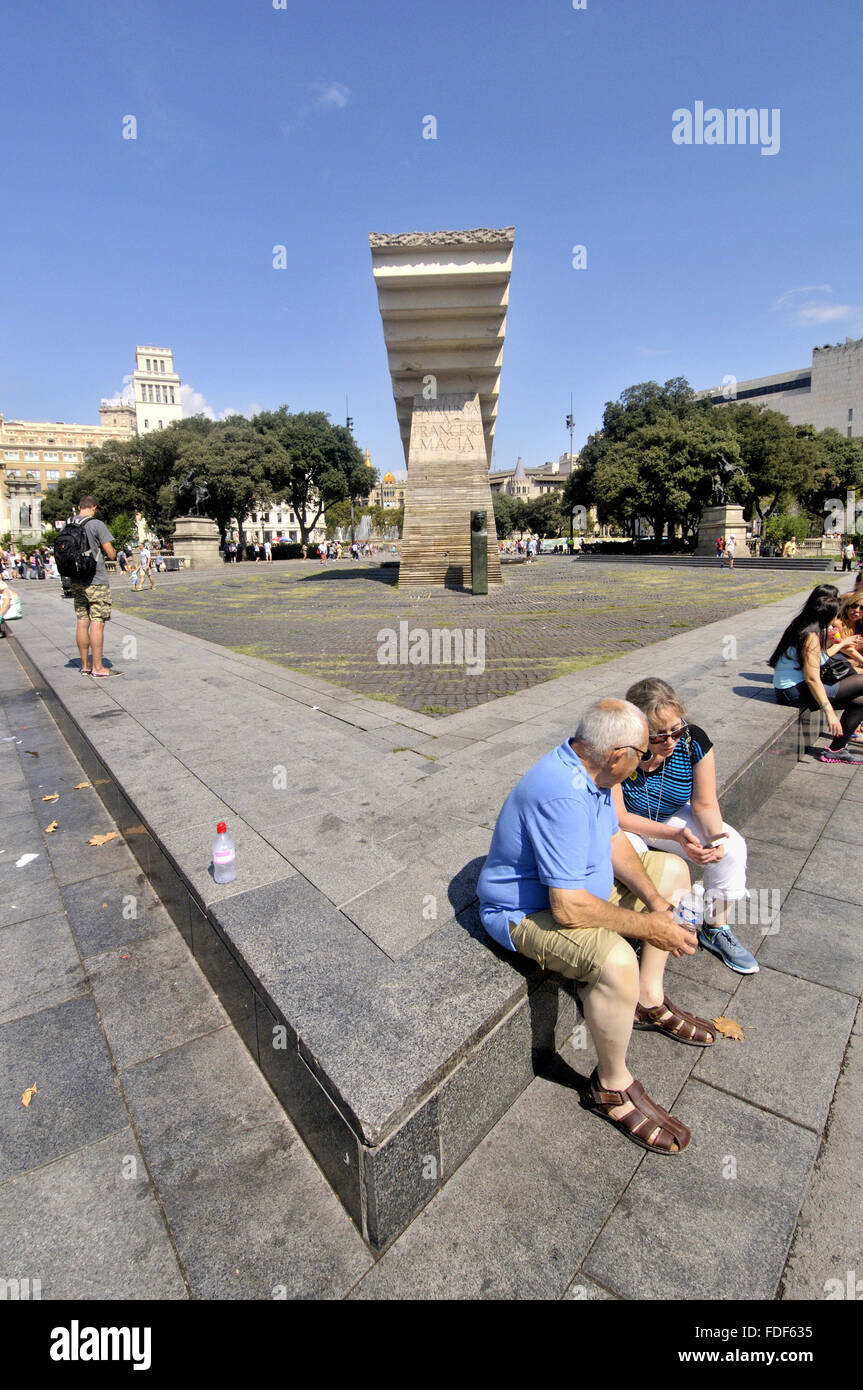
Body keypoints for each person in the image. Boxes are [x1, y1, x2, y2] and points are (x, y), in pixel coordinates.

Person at [479, 699, 717, 1157]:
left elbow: (613, 842)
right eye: (643, 754)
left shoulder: (598, 773)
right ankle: (609, 1085)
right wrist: (649, 927)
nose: (648, 762)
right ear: (615, 753)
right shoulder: (563, 792)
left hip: (578, 892)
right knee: (616, 959)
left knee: (671, 875)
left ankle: (648, 998)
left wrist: (656, 904)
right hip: (526, 912)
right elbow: (566, 908)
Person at [615, 678, 758, 974]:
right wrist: (677, 836)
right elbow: (618, 816)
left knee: (731, 846)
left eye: (676, 730)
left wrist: (714, 839)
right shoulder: (619, 748)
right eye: (658, 735)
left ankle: (715, 926)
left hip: (668, 815)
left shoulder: (693, 741)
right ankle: (645, 930)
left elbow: (705, 804)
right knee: (645, 864)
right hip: (628, 823)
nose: (670, 741)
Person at [769, 584, 863, 764]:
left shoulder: (804, 625)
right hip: (793, 692)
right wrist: (829, 712)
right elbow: (812, 678)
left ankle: (836, 750)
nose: (836, 618)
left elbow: (816, 662)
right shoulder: (810, 636)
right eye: (835, 615)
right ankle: (837, 749)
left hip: (792, 688)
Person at [67, 496, 118, 677]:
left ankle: (85, 666)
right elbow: (110, 553)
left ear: (79, 507)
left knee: (82, 621)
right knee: (98, 622)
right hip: (95, 580)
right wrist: (114, 554)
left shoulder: (68, 524)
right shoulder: (96, 524)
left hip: (75, 580)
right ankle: (98, 667)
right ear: (94, 507)